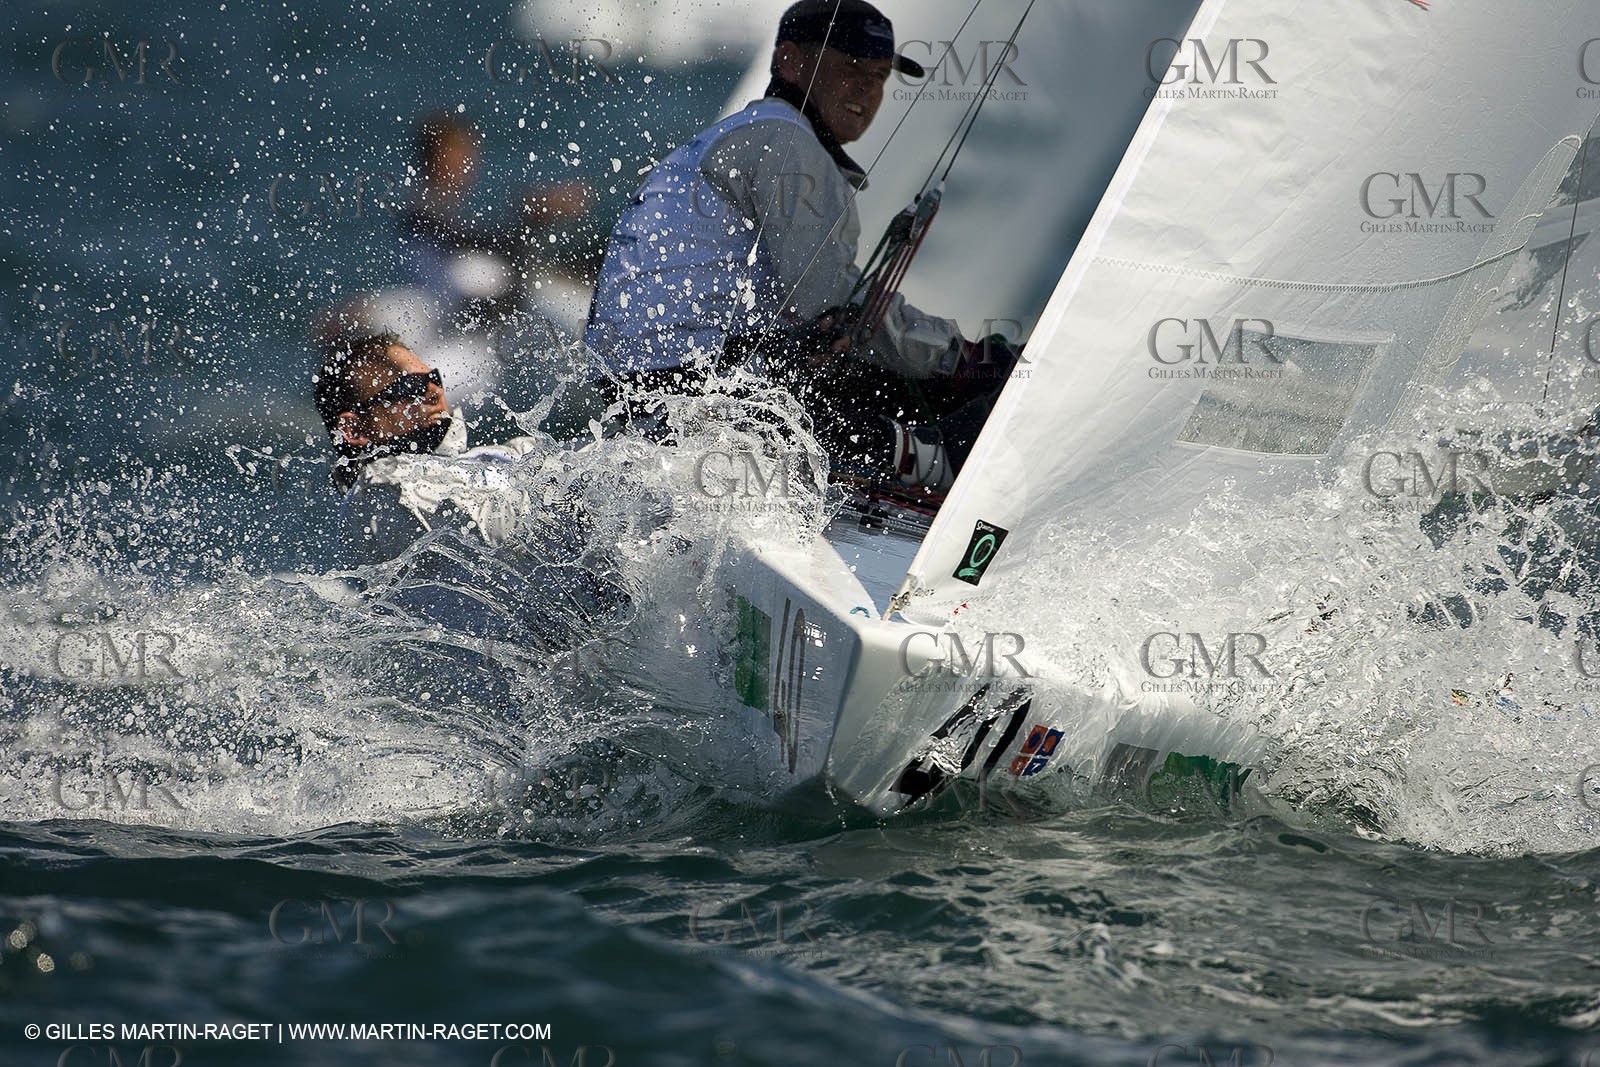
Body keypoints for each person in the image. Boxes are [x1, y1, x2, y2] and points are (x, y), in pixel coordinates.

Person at [582, 0, 1018, 492]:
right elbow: (832, 299)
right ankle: (935, 470)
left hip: (645, 390)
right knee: (951, 400)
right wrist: (961, 356)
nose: (866, 91)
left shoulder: (741, 132)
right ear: (789, 61)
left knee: (852, 362)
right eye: (851, 69)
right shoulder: (784, 139)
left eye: (878, 76)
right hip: (695, 387)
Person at [313, 331, 545, 565]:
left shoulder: (469, 460)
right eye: (413, 386)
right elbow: (504, 536)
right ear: (354, 430)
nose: (435, 392)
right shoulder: (385, 491)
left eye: (434, 379)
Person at [400, 111, 596, 326]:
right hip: (460, 324)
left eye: (470, 152)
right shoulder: (422, 211)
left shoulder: (436, 208)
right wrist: (531, 217)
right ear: (434, 157)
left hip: (477, 313)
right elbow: (485, 248)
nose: (468, 162)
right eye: (459, 152)